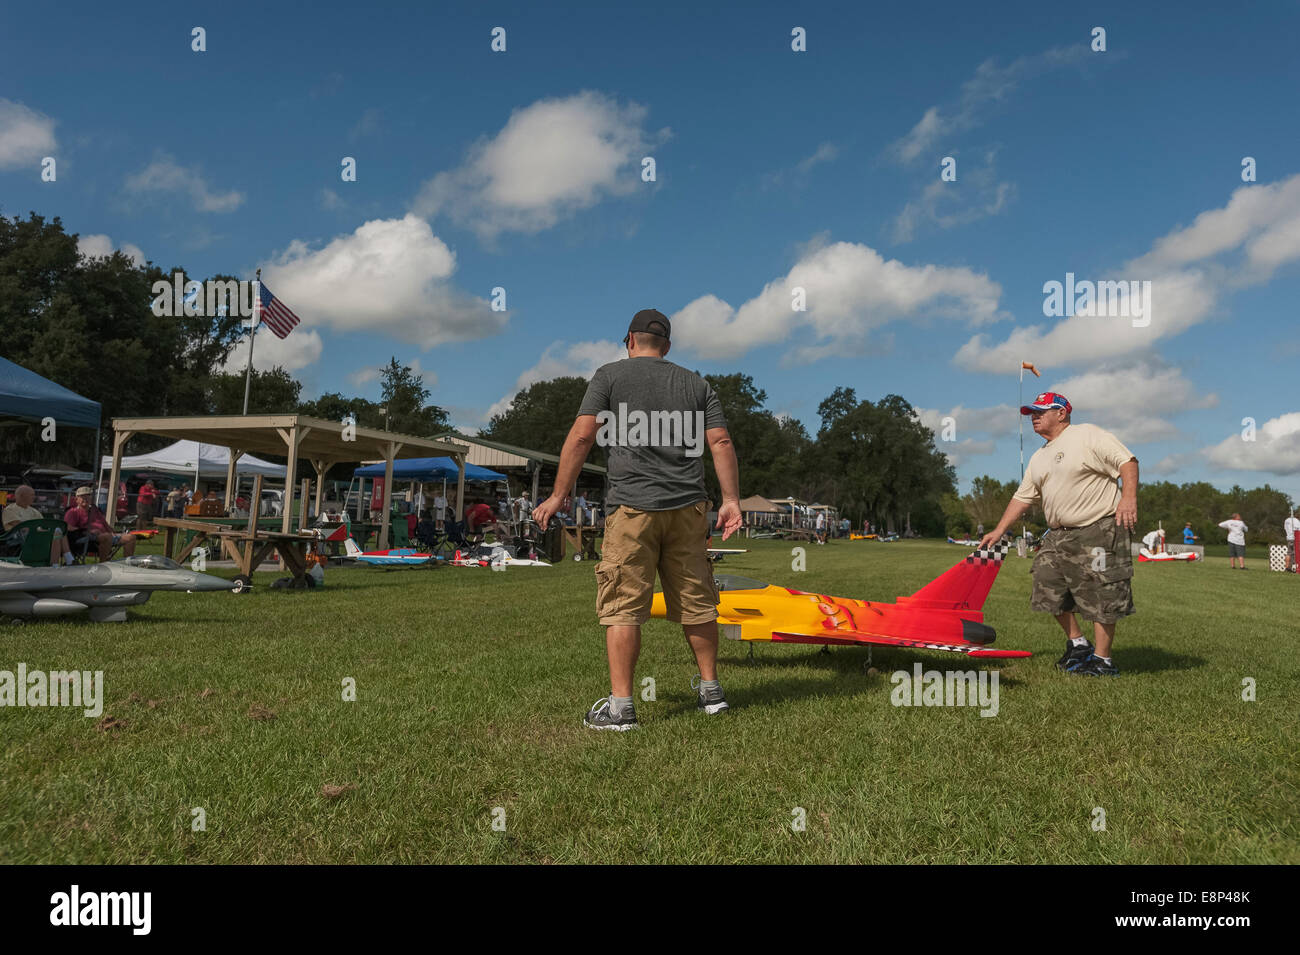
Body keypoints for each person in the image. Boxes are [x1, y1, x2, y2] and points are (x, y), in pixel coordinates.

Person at [534, 308, 741, 730]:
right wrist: (731, 500)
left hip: (632, 509)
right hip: (689, 509)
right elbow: (719, 440)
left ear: (629, 339)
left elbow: (581, 435)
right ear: (666, 346)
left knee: (624, 607)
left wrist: (558, 495)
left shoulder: (609, 376)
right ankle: (711, 691)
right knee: (698, 604)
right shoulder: (697, 384)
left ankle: (622, 707)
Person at [979, 392, 1138, 677]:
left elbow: (1127, 462)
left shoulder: (1087, 435)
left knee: (1102, 593)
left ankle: (1103, 660)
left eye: (1040, 411)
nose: (1034, 417)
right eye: (1031, 413)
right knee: (1046, 584)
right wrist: (1000, 529)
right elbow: (1023, 497)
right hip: (1058, 534)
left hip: (1098, 528)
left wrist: (1128, 498)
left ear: (1062, 413)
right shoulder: (1039, 456)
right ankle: (1078, 643)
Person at [3, 484, 73, 565]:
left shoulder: (34, 511)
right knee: (54, 533)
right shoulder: (10, 510)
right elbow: (20, 526)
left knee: (57, 530)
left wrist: (44, 531)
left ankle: (65, 560)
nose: (34, 497)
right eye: (31, 495)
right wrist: (41, 531)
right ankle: (59, 563)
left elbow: (43, 525)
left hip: (36, 534)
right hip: (18, 538)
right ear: (21, 496)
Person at [65, 486, 135, 561]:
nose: (86, 498)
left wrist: (112, 531)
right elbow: (68, 527)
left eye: (88, 496)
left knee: (131, 537)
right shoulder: (73, 512)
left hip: (105, 535)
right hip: (87, 538)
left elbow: (104, 523)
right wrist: (88, 531)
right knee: (107, 537)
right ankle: (103, 564)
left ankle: (126, 563)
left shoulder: (95, 509)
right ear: (76, 499)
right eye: (82, 497)